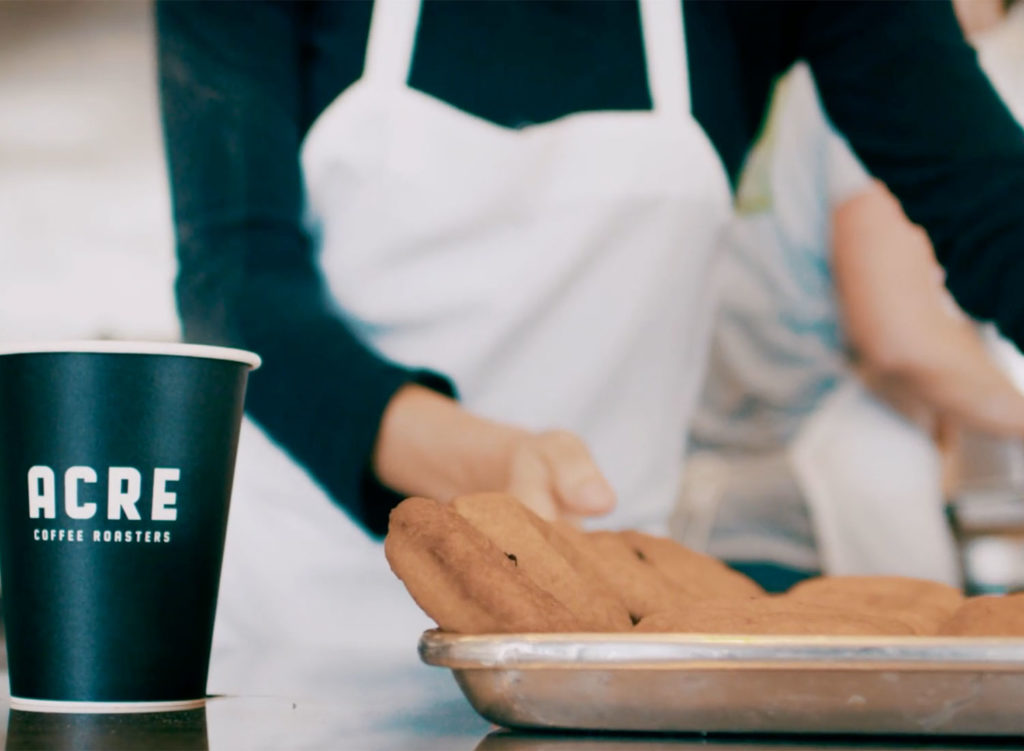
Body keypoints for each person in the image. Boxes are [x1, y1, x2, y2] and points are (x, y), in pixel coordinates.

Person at [156, 0, 1024, 675]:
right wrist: (476, 466)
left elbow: (997, 216)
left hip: (602, 646)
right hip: (292, 632)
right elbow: (234, 284)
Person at [681, 0, 1024, 591]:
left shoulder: (785, 77)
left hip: (720, 497)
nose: (986, 30)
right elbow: (900, 336)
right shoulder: (874, 82)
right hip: (814, 513)